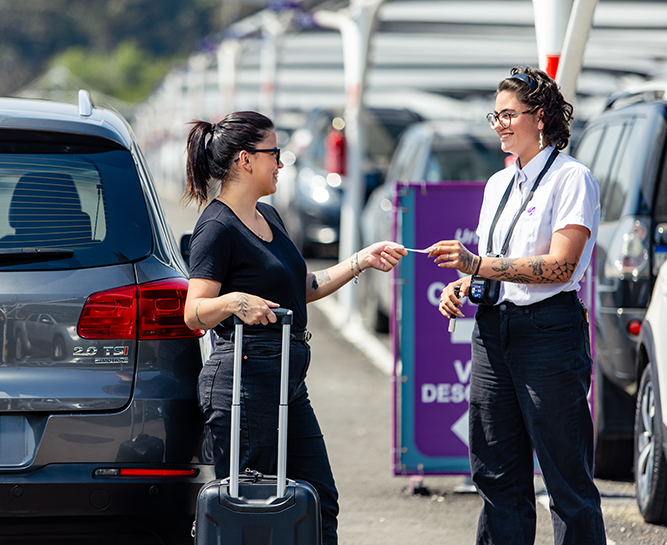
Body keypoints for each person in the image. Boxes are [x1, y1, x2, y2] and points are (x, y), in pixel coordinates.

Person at [183, 110, 406, 544]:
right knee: (250, 507)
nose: (281, 163)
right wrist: (234, 301)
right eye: (275, 154)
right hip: (244, 382)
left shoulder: (271, 217)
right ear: (245, 160)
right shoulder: (216, 227)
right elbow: (194, 311)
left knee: (320, 500)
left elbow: (301, 287)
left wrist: (362, 259)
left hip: (286, 378)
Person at [429, 67, 606, 544]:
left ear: (541, 116)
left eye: (509, 115)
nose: (500, 125)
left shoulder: (572, 177)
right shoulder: (498, 183)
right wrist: (465, 284)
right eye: (496, 116)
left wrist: (480, 265)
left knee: (566, 478)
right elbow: (491, 263)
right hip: (493, 332)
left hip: (548, 332)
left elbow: (561, 267)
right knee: (495, 472)